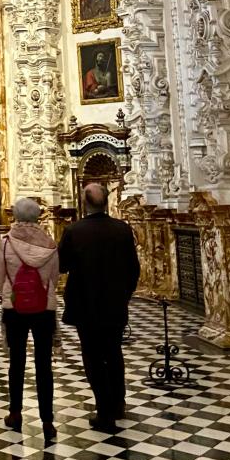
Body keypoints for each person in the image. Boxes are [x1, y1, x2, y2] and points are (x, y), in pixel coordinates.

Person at [58, 182, 140, 432]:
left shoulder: (74, 231)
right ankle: (118, 403)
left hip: (85, 306)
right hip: (115, 304)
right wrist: (125, 295)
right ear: (106, 202)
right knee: (114, 353)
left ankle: (104, 410)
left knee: (92, 357)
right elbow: (133, 269)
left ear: (85, 203)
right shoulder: (122, 229)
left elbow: (62, 266)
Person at [0, 197, 60, 444]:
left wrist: (9, 289)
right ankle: (47, 420)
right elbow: (54, 277)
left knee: (17, 361)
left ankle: (15, 412)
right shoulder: (50, 244)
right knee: (44, 364)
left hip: (15, 306)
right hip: (44, 307)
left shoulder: (7, 243)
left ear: (15, 216)